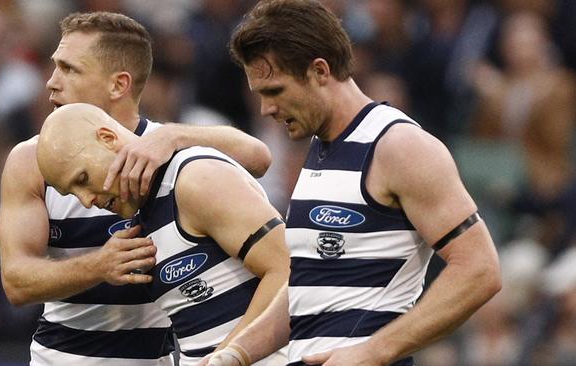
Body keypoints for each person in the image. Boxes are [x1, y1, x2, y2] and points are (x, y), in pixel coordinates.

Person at [202, 1, 502, 365]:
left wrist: (375, 350)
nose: (266, 109)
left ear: (320, 71)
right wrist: (235, 354)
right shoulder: (320, 148)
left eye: (275, 91)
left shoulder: (397, 145)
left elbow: (480, 269)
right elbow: (308, 288)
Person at [0, 11, 272, 365]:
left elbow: (258, 157)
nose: (51, 82)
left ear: (119, 84)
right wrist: (99, 265)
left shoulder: (166, 153)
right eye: (55, 67)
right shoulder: (31, 160)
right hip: (60, 356)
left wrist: (174, 135)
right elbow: (16, 281)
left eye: (69, 69)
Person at [36, 103, 290, 366]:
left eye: (82, 179)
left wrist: (231, 356)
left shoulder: (192, 179)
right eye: (72, 193)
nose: (86, 200)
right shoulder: (143, 213)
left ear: (108, 138)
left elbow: (290, 269)